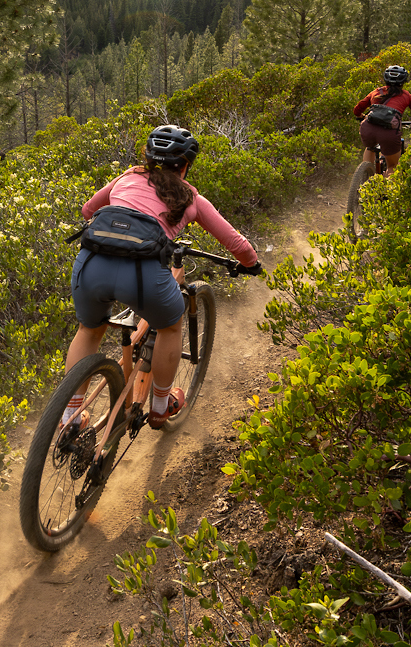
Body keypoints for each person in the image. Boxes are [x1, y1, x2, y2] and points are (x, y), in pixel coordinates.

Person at [66, 124, 263, 428]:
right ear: (185, 165)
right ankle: (160, 407)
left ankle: (69, 416)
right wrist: (251, 263)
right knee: (170, 326)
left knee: (89, 330)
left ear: (147, 157)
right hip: (141, 275)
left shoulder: (128, 176)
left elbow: (88, 209)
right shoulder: (191, 198)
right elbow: (235, 243)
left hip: (90, 264)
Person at [352, 65, 411, 173]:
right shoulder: (406, 96)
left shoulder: (376, 92)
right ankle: (385, 187)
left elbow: (357, 110)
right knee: (392, 166)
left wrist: (362, 117)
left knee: (370, 147)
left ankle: (365, 176)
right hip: (389, 133)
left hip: (367, 128)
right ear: (403, 81)